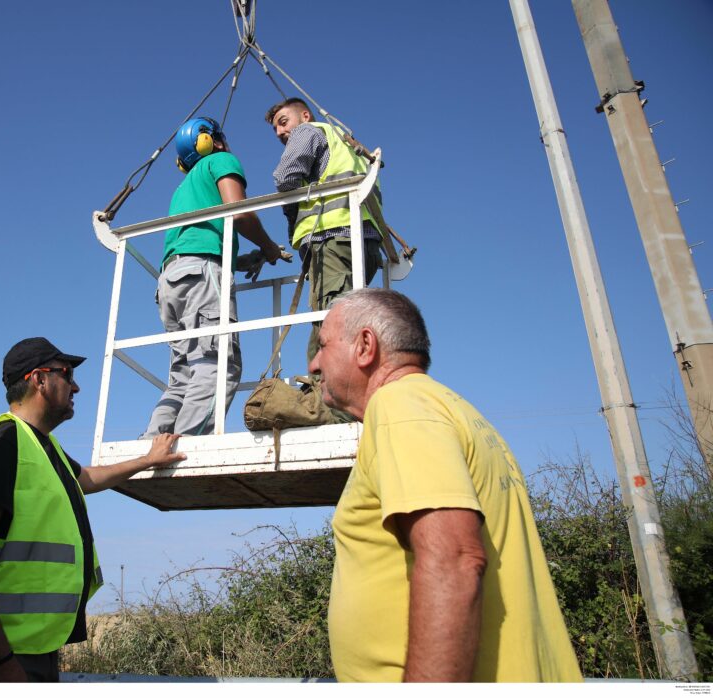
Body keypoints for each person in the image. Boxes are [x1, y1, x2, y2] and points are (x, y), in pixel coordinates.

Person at [310, 288, 582, 682]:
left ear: (365, 346)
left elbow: (454, 560)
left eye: (322, 345)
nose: (315, 364)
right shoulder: (455, 410)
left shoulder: (399, 406)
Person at [0, 337, 186, 682]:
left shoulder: (45, 447)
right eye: (66, 374)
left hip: (30, 649)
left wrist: (147, 460)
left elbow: (86, 478)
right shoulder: (0, 443)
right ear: (38, 379)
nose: (75, 385)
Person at [143, 116, 291, 437]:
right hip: (201, 273)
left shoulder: (185, 187)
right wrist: (267, 248)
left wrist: (243, 259)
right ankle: (187, 449)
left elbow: (198, 243)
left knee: (182, 374)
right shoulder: (222, 160)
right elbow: (238, 211)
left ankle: (154, 440)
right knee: (219, 365)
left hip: (171, 280)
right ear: (210, 141)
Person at [265, 98, 384, 364]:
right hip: (363, 242)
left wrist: (292, 217)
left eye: (284, 122)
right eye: (275, 129)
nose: (281, 132)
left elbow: (285, 177)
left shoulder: (307, 131)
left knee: (332, 324)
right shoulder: (346, 144)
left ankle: (327, 399)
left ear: (305, 116)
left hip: (332, 237)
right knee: (343, 318)